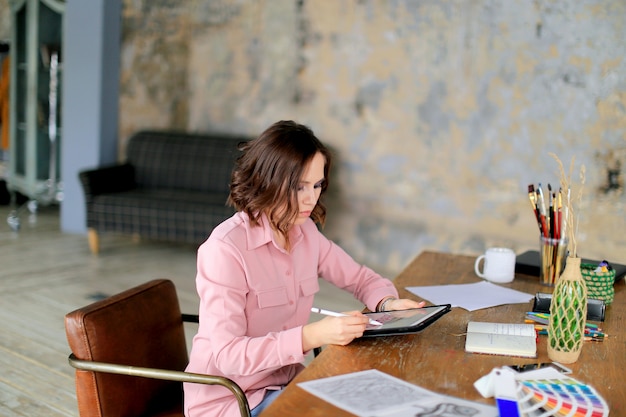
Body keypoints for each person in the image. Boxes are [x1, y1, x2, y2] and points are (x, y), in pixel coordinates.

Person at [184, 120, 425, 416]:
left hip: (286, 382)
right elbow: (228, 356)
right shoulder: (225, 250)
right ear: (268, 180)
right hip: (232, 402)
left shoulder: (305, 232)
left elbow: (360, 278)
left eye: (317, 185)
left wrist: (388, 304)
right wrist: (313, 335)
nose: (311, 199)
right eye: (299, 187)